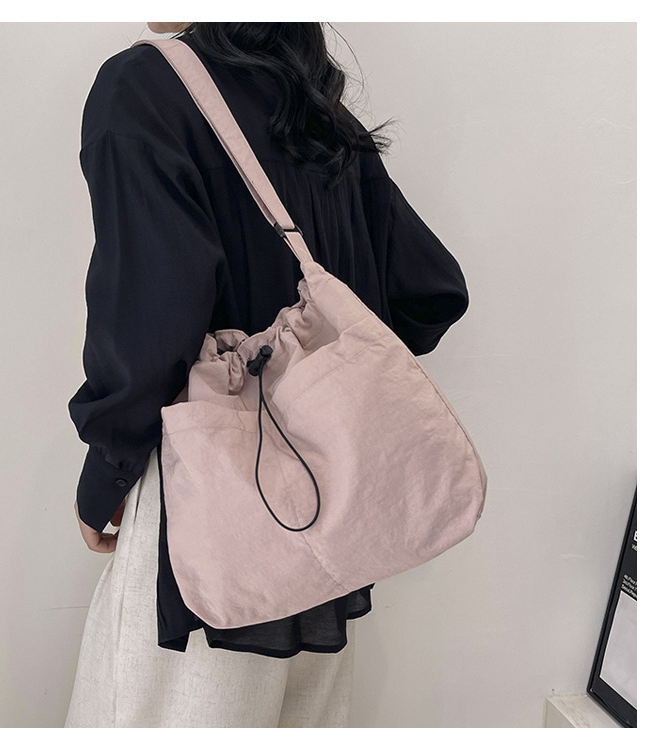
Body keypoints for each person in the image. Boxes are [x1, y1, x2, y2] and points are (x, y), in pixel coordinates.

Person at [65, 22, 470, 728]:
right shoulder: (313, 106)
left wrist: (107, 474)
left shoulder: (145, 88)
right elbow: (427, 289)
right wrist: (321, 392)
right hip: (330, 526)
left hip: (205, 506)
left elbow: (146, 323)